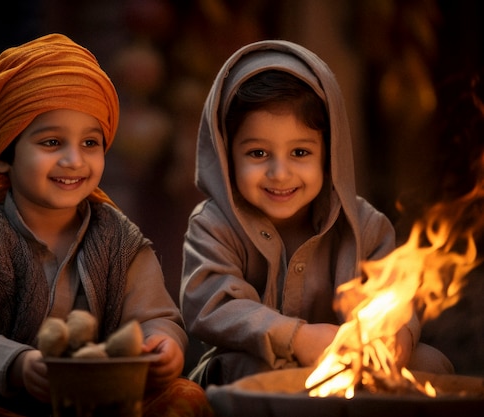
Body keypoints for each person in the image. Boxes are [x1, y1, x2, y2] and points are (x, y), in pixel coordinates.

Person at [0, 33, 213, 417]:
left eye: (90, 143)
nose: (74, 160)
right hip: (5, 405)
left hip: (105, 402)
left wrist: (163, 346)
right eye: (52, 142)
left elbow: (155, 318)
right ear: (4, 155)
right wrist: (18, 366)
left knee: (188, 398)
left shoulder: (120, 240)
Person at [180, 39, 455, 388]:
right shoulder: (214, 225)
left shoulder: (365, 226)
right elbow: (211, 306)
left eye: (299, 152)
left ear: (329, 153)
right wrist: (296, 338)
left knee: (432, 363)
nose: (280, 173)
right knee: (254, 374)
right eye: (258, 153)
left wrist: (395, 337)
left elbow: (394, 297)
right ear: (225, 156)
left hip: (351, 363)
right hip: (256, 362)